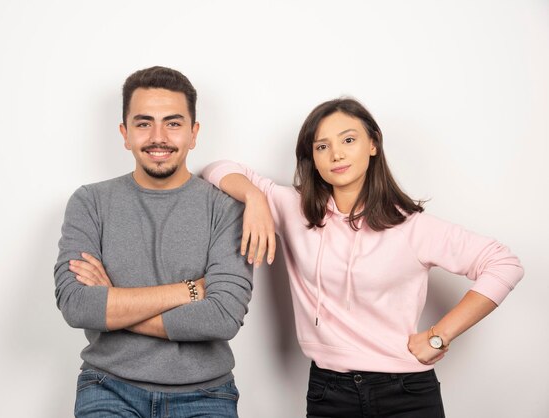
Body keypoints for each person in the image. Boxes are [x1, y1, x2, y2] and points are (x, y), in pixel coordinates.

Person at [202, 97, 524, 417]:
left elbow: (503, 263)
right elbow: (216, 169)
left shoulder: (411, 227)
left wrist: (439, 335)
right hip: (329, 391)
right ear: (312, 158)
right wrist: (254, 197)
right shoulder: (295, 209)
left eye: (349, 140)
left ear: (373, 144)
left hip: (407, 391)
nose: (336, 154)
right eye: (322, 146)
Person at [54, 66, 253, 418]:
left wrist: (113, 310)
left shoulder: (226, 209)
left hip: (206, 394)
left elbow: (223, 317)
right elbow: (77, 306)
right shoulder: (90, 202)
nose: (158, 137)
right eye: (144, 123)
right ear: (125, 133)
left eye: (173, 124)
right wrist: (190, 290)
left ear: (194, 134)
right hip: (108, 386)